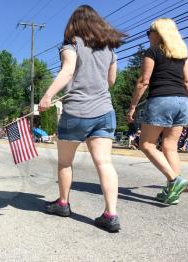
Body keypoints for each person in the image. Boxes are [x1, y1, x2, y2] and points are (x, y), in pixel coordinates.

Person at [38, 5, 125, 232]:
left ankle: (63, 203)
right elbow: (111, 81)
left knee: (65, 163)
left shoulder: (72, 44)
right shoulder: (110, 49)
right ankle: (111, 214)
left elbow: (67, 71)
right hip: (104, 112)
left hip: (76, 112)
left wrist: (48, 96)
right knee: (104, 163)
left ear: (74, 24)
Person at [127, 18, 188, 204]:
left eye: (149, 32)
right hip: (182, 102)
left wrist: (132, 107)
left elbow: (144, 81)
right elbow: (186, 82)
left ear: (158, 33)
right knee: (170, 146)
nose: (148, 36)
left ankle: (174, 179)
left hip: (161, 100)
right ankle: (174, 191)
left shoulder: (152, 51)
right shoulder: (182, 54)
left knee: (146, 144)